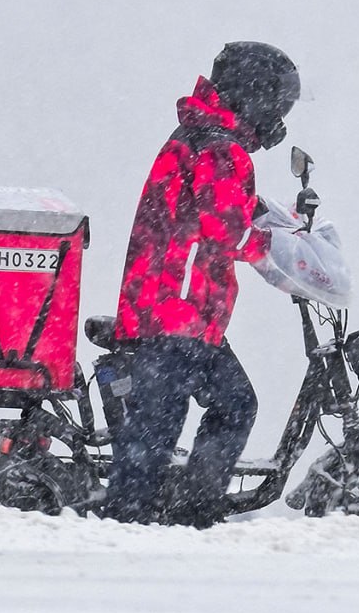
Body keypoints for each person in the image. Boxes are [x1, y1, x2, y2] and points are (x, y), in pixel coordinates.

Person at [103, 41, 300, 527]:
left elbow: (211, 206)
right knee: (192, 418)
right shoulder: (220, 148)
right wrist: (284, 254)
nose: (279, 120)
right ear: (254, 97)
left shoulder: (201, 138)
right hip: (177, 314)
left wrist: (268, 213)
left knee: (168, 423)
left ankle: (170, 513)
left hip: (170, 309)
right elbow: (225, 229)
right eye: (278, 106)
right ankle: (159, 519)